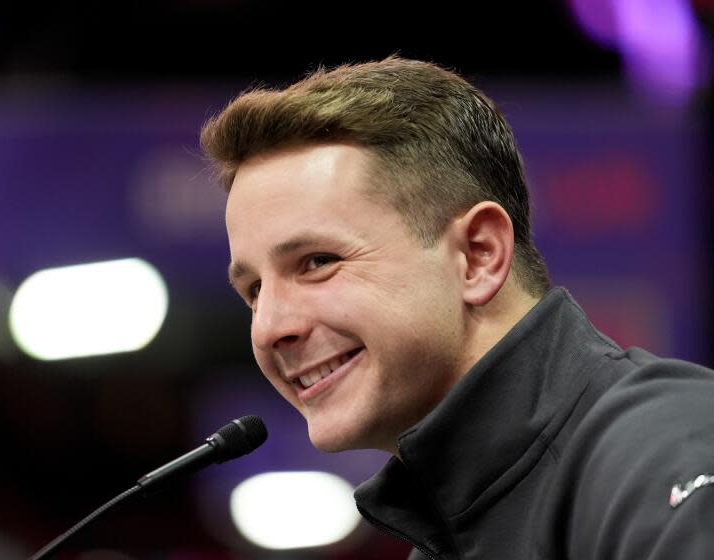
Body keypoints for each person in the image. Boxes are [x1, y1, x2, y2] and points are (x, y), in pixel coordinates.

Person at [199, 56, 714, 559]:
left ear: (478, 257)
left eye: (317, 262)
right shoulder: (445, 534)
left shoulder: (667, 449)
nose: (268, 329)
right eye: (254, 291)